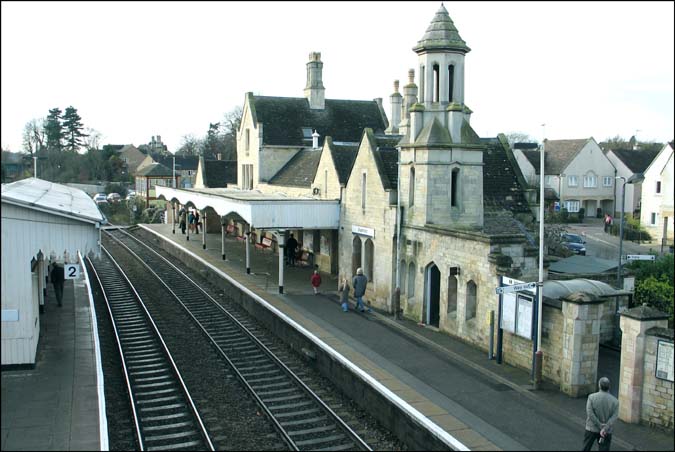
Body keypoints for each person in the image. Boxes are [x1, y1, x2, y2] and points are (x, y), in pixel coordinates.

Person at [583, 377, 619, 451]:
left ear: (599, 385)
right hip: (606, 431)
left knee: (586, 448)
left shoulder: (591, 397)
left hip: (591, 428)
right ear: (609, 387)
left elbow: (590, 413)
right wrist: (604, 428)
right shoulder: (615, 401)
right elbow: (614, 417)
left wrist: (599, 425)